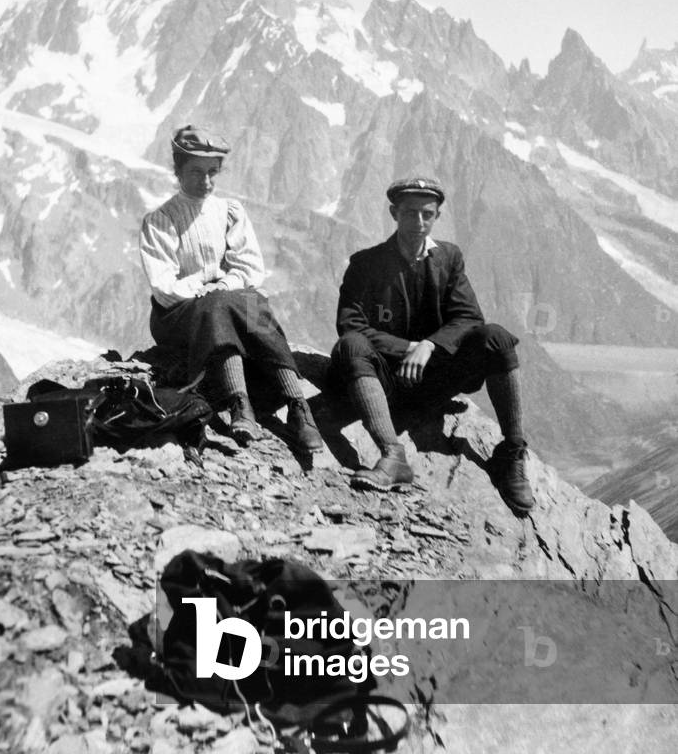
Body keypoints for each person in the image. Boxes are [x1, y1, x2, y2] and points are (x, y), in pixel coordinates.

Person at [330, 176, 535, 513]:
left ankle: (511, 453)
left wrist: (429, 346)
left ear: (437, 216)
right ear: (394, 213)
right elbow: (350, 324)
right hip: (386, 380)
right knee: (351, 345)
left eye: (427, 214)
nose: (419, 222)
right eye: (410, 213)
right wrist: (408, 347)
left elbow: (469, 319)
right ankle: (393, 456)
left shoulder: (448, 258)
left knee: (496, 338)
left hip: (433, 378)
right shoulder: (366, 264)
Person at [139, 125, 322, 454]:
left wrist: (223, 285)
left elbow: (250, 268)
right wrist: (205, 288)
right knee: (220, 303)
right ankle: (240, 403)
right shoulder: (161, 220)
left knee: (254, 301)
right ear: (178, 170)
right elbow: (163, 286)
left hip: (221, 303)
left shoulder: (229, 212)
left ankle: (298, 406)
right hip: (175, 314)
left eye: (212, 172)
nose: (206, 182)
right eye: (195, 172)